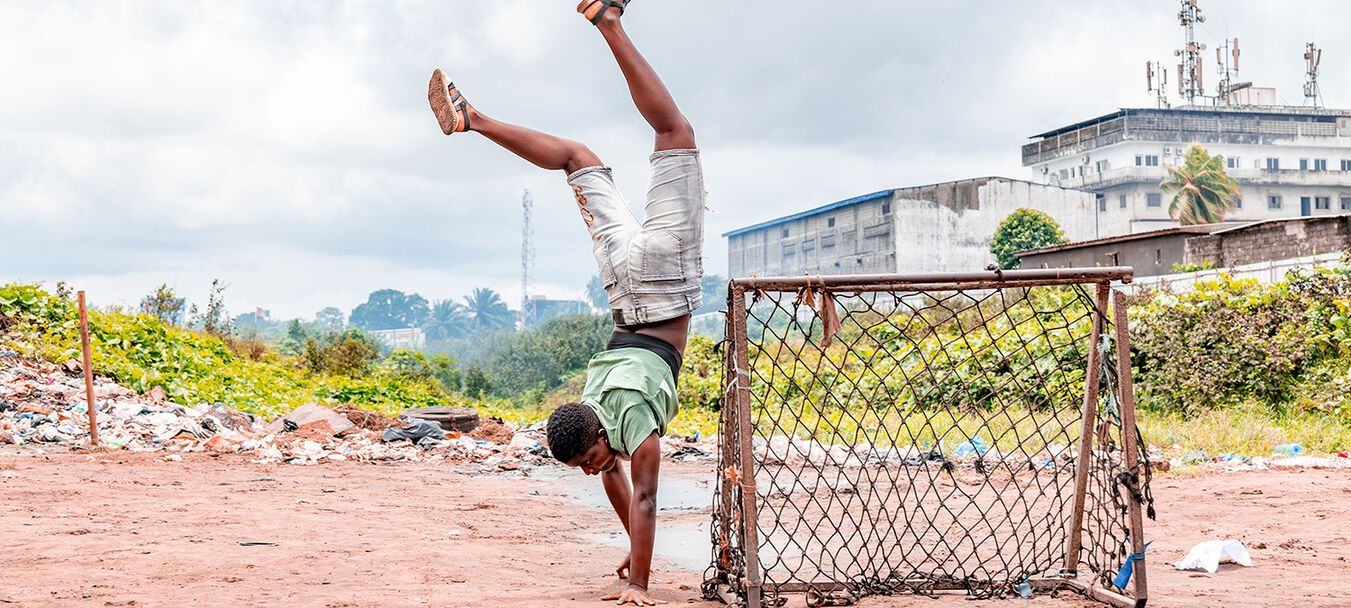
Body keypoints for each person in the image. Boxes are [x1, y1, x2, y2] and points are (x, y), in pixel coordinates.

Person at [428, 1, 703, 605]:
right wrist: (633, 546)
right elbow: (613, 476)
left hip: (660, 289)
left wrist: (639, 583)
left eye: (590, 458)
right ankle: (473, 118)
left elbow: (648, 498)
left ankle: (608, 21)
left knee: (674, 135)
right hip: (623, 294)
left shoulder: (632, 430)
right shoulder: (595, 417)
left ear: (596, 429)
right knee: (580, 157)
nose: (594, 468)